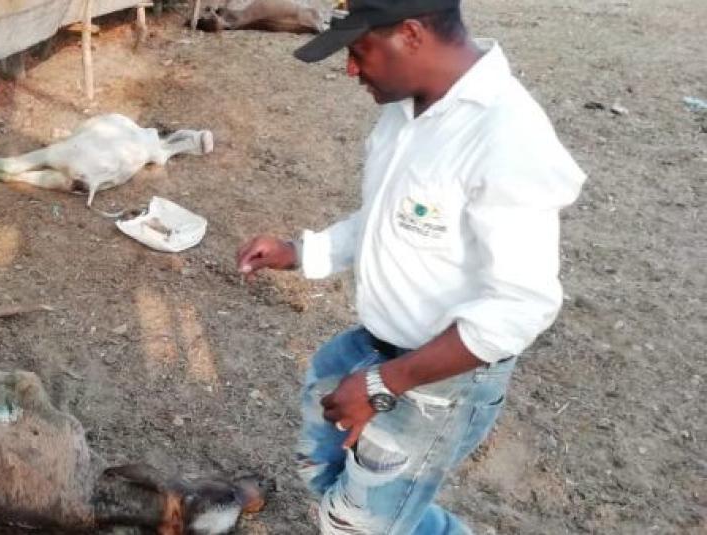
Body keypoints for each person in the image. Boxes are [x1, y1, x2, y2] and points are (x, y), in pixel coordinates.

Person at [234, 0, 585, 533]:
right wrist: (300, 251)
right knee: (321, 467)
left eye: (360, 50)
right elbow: (388, 216)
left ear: (412, 34)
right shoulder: (408, 108)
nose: (350, 69)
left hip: (444, 377)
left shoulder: (507, 137)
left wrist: (384, 383)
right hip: (377, 345)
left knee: (357, 521)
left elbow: (520, 307)